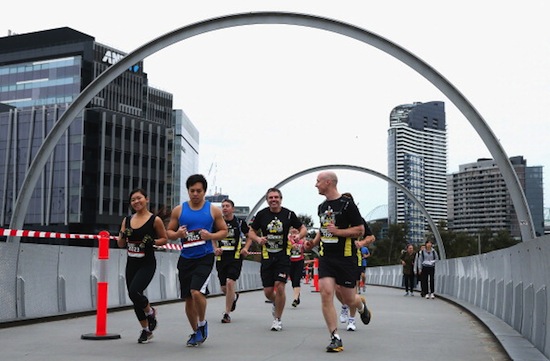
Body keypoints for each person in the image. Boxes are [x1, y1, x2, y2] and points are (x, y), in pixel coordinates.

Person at [304, 172, 372, 352]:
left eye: (318, 181)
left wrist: (338, 232)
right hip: (326, 257)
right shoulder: (321, 207)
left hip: (346, 258)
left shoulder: (347, 205)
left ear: (328, 182)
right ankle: (335, 337)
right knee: (326, 293)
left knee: (349, 298)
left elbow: (360, 229)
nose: (315, 185)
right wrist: (312, 243)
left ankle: (361, 305)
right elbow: (323, 230)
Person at [166, 174, 228, 347]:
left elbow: (224, 231)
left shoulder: (212, 210)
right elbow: (168, 233)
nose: (195, 194)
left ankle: (202, 324)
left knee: (196, 292)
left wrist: (210, 235)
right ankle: (196, 332)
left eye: (198, 191)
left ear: (204, 191)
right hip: (186, 257)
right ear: (188, 191)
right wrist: (178, 234)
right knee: (188, 298)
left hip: (205, 256)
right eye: (192, 190)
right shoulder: (179, 210)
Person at [248, 187, 307, 331]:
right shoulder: (262, 215)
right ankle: (276, 302)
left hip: (283, 256)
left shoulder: (288, 214)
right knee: (268, 292)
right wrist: (257, 239)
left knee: (280, 286)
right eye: (271, 198)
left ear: (281, 199)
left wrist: (299, 236)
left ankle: (277, 319)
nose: (273, 200)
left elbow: (303, 228)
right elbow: (251, 231)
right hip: (267, 256)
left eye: (276, 197)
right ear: (267, 200)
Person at [117, 188, 168, 344]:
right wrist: (123, 235)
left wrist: (152, 242)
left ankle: (150, 312)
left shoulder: (155, 220)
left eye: (139, 198)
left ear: (147, 199)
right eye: (133, 200)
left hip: (147, 263)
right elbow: (120, 244)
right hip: (131, 262)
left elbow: (164, 239)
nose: (136, 202)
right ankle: (146, 331)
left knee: (135, 291)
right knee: (134, 297)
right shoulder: (127, 220)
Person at [217, 198, 250, 323]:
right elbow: (212, 237)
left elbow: (250, 236)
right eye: (223, 206)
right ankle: (234, 296)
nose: (224, 208)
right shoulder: (217, 223)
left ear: (233, 209)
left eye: (227, 206)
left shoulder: (240, 223)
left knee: (230, 282)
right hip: (221, 258)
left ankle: (227, 313)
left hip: (235, 257)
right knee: (224, 288)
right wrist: (215, 248)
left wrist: (245, 248)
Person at [288, 227, 305, 307]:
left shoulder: (302, 238)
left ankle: (295, 299)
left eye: (296, 229)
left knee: (297, 279)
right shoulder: (288, 238)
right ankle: (297, 296)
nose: (294, 230)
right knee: (293, 280)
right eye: (292, 229)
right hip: (290, 261)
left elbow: (306, 246)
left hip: (299, 261)